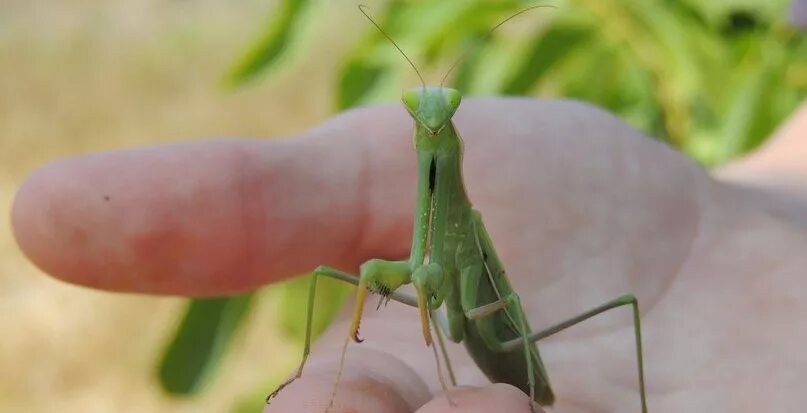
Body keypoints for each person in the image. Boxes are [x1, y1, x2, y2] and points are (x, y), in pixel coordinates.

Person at [11, 98, 807, 412]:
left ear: (448, 131)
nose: (428, 128)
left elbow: (459, 294)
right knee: (349, 279)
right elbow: (413, 283)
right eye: (419, 120)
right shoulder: (424, 173)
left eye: (438, 122)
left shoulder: (454, 180)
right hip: (462, 299)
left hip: (509, 342)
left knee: (617, 306)